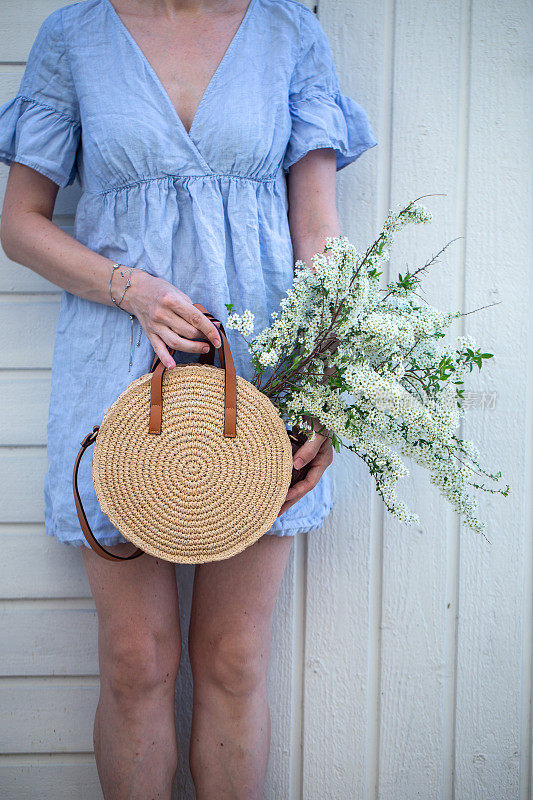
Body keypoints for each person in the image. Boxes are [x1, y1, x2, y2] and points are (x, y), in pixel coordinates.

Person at [0, 0, 377, 796]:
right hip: (116, 367)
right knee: (136, 663)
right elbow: (20, 223)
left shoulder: (287, 33)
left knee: (236, 663)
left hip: (263, 378)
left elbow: (317, 234)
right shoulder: (75, 34)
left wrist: (326, 394)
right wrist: (128, 287)